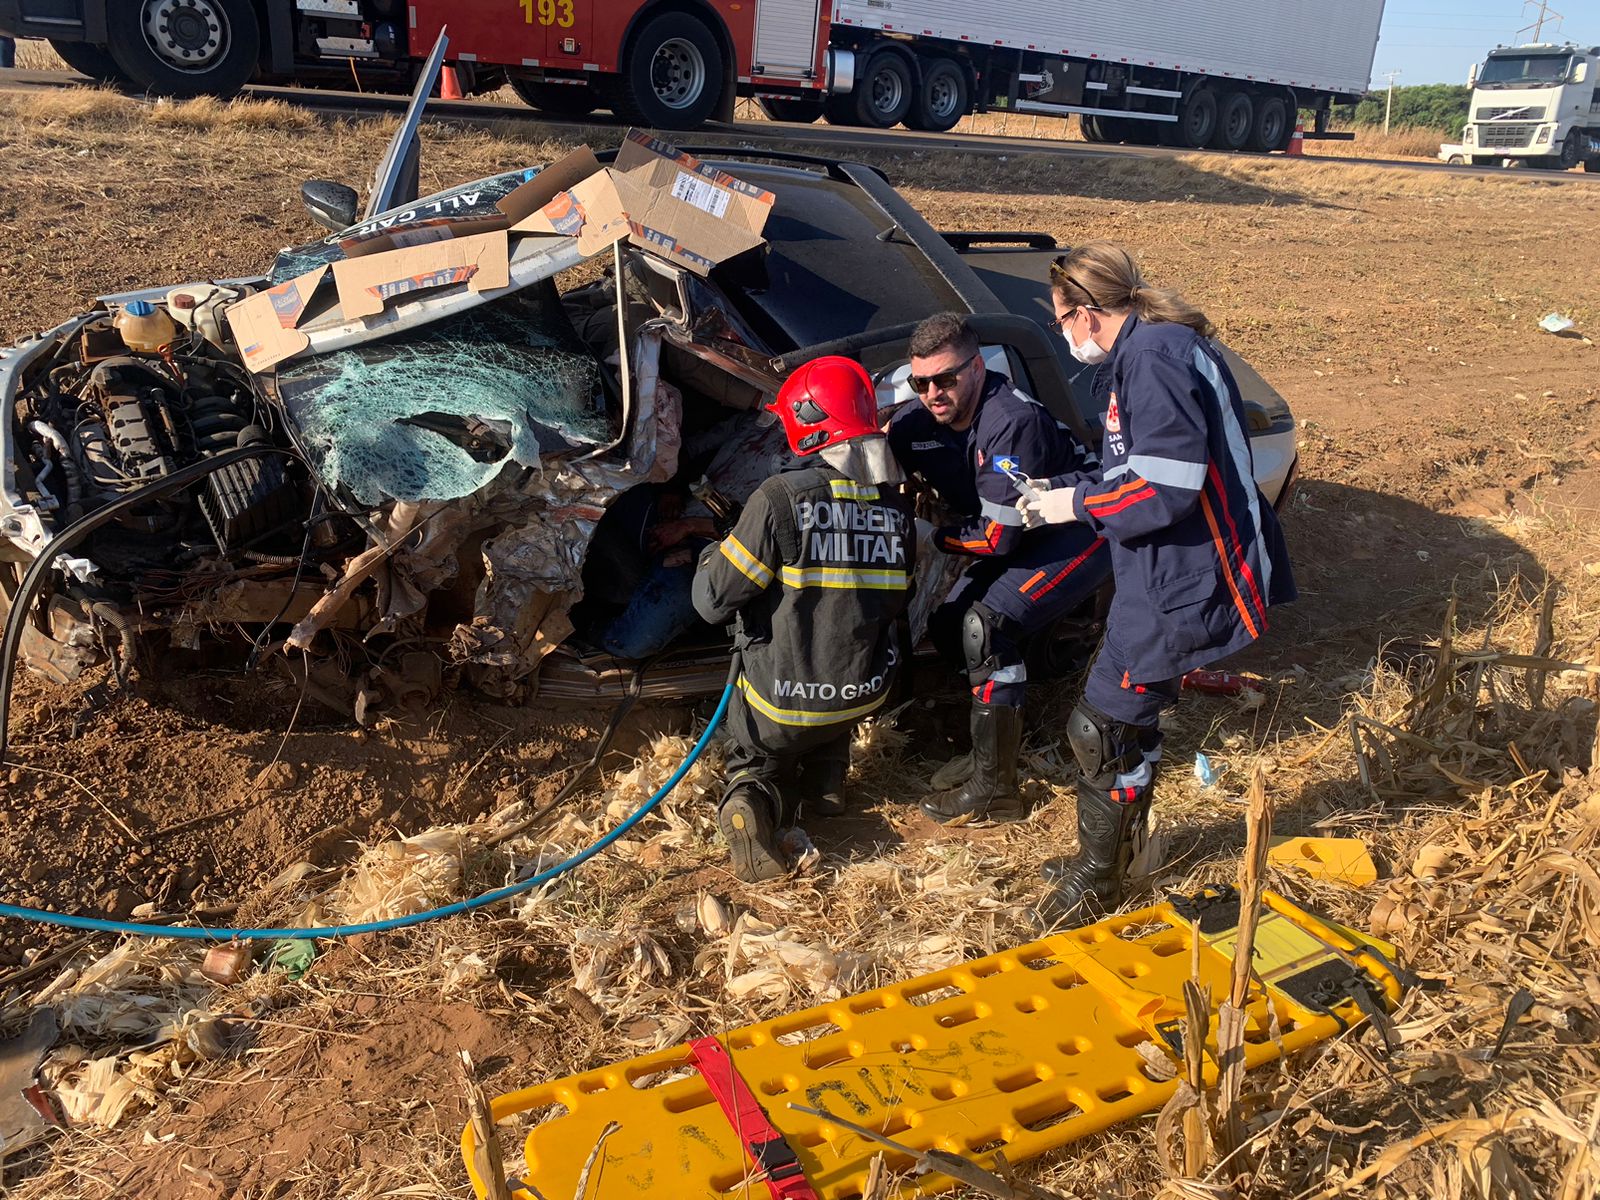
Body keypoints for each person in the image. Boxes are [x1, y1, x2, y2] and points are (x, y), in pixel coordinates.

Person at [1020, 241, 1296, 927]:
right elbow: (1136, 465)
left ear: (1086, 313)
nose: (1064, 335)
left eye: (1060, 320)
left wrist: (1072, 506)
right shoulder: (1156, 348)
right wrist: (1067, 485)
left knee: (1104, 724)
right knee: (1125, 720)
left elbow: (1165, 488)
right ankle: (1125, 854)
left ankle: (1100, 879)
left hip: (1184, 573)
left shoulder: (1151, 359)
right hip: (1166, 569)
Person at [693, 356, 915, 882]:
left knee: (757, 752)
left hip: (783, 703)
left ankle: (751, 799)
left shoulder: (778, 499)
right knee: (831, 672)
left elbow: (712, 602)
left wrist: (712, 552)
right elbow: (891, 601)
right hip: (862, 694)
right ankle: (826, 781)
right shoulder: (895, 509)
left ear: (805, 422)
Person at [888, 312, 1110, 824]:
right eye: (921, 382)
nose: (933, 393)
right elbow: (882, 452)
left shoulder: (1010, 421)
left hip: (1075, 530)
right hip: (1012, 530)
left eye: (946, 379)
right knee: (949, 627)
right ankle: (1002, 741)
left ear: (977, 367)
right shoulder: (913, 423)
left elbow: (996, 539)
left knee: (984, 628)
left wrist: (930, 537)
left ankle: (996, 789)